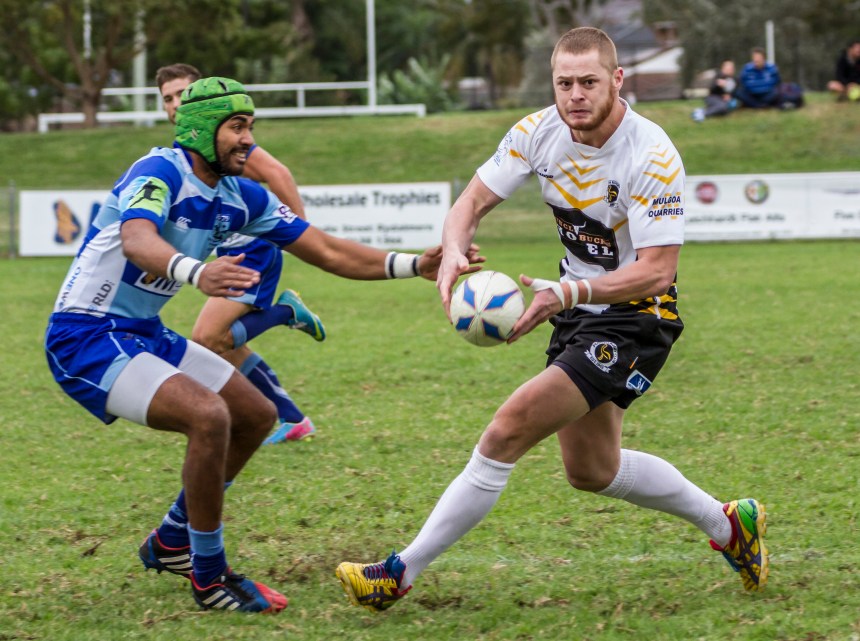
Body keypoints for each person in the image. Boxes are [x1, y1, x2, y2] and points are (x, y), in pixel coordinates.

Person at [335, 27, 768, 613]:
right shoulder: (537, 133)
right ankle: (729, 525)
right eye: (564, 83)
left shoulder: (652, 153)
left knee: (506, 429)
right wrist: (455, 247)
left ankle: (398, 572)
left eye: (589, 82)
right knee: (591, 469)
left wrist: (568, 293)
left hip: (633, 316)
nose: (575, 96)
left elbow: (657, 272)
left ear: (617, 80)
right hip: (574, 305)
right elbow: (471, 203)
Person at [44, 76, 482, 614]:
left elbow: (324, 249)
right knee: (209, 417)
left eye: (250, 126)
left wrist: (413, 264)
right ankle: (209, 576)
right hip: (85, 334)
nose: (247, 139)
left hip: (142, 334)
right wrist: (197, 272)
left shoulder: (240, 196)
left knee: (255, 414)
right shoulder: (159, 171)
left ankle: (173, 539)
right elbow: (137, 241)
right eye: (236, 127)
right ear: (202, 131)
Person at [157, 63, 320, 444]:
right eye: (168, 98)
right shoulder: (188, 150)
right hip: (230, 248)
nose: (176, 103)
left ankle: (285, 312)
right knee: (227, 346)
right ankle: (292, 419)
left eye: (183, 93)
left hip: (254, 245)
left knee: (208, 340)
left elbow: (278, 173)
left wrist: (298, 231)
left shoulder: (230, 137)